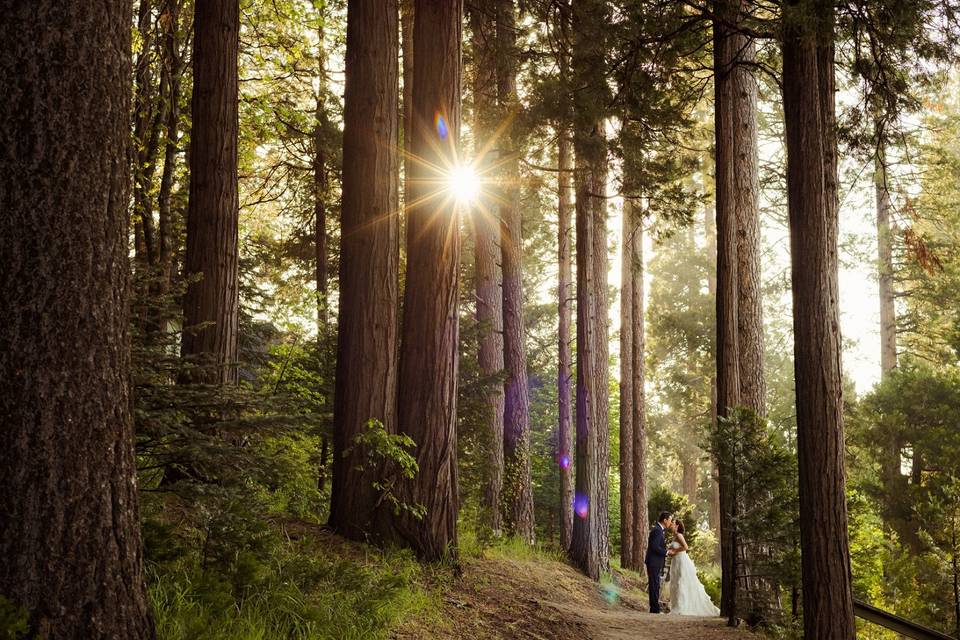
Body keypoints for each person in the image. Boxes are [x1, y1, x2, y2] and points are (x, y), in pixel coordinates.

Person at [667, 518, 720, 616]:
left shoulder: (679, 535)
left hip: (681, 561)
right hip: (675, 562)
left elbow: (686, 547)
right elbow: (674, 548)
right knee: (675, 582)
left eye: (673, 523)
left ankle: (682, 606)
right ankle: (676, 605)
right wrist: (670, 552)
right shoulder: (674, 536)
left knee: (681, 582)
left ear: (677, 526)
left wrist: (674, 551)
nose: (671, 524)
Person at [644, 512, 674, 613]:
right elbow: (655, 546)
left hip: (655, 562)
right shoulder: (657, 530)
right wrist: (666, 552)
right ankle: (654, 609)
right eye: (670, 520)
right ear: (665, 520)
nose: (671, 522)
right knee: (654, 585)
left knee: (655, 585)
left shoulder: (659, 530)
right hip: (653, 562)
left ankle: (655, 608)